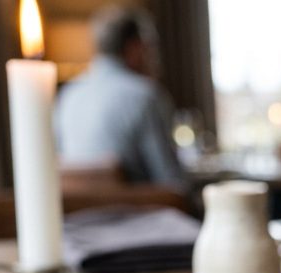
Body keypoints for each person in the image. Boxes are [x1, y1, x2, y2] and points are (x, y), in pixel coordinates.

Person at [54, 6, 184, 188]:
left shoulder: (67, 95)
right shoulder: (145, 95)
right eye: (150, 48)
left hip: (75, 214)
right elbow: (171, 182)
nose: (154, 57)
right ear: (134, 48)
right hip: (140, 214)